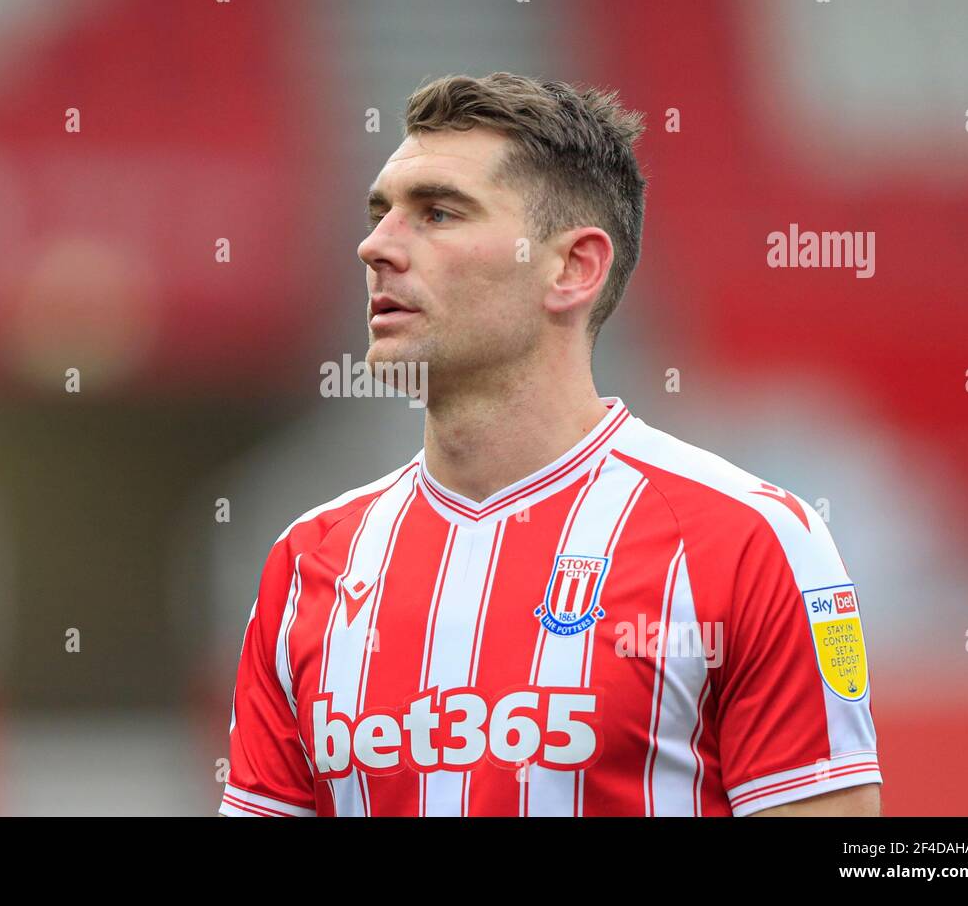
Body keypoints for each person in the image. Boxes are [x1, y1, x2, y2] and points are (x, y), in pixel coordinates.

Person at [218, 72, 880, 817]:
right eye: (380, 214)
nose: (375, 246)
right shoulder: (309, 562)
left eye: (436, 213)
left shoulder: (746, 541)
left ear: (572, 268)